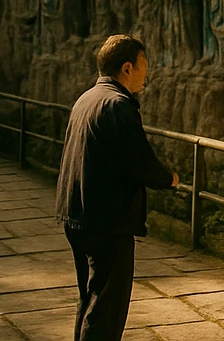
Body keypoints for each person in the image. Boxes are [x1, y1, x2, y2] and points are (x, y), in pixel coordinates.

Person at [55, 35, 178, 341]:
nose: (146, 73)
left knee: (90, 298)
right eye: (144, 65)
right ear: (127, 68)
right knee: (106, 308)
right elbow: (140, 161)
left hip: (76, 213)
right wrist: (169, 179)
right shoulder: (118, 105)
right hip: (105, 220)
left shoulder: (87, 98)